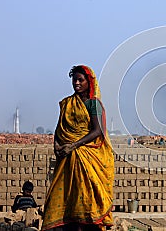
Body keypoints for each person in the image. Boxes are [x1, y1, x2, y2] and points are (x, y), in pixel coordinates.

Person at [41, 65, 114, 231]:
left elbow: (97, 131)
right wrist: (57, 146)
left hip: (86, 155)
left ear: (90, 82)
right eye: (74, 79)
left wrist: (74, 145)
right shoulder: (68, 103)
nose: (77, 83)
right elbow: (59, 129)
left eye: (81, 80)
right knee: (67, 195)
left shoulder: (93, 104)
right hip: (67, 157)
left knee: (87, 195)